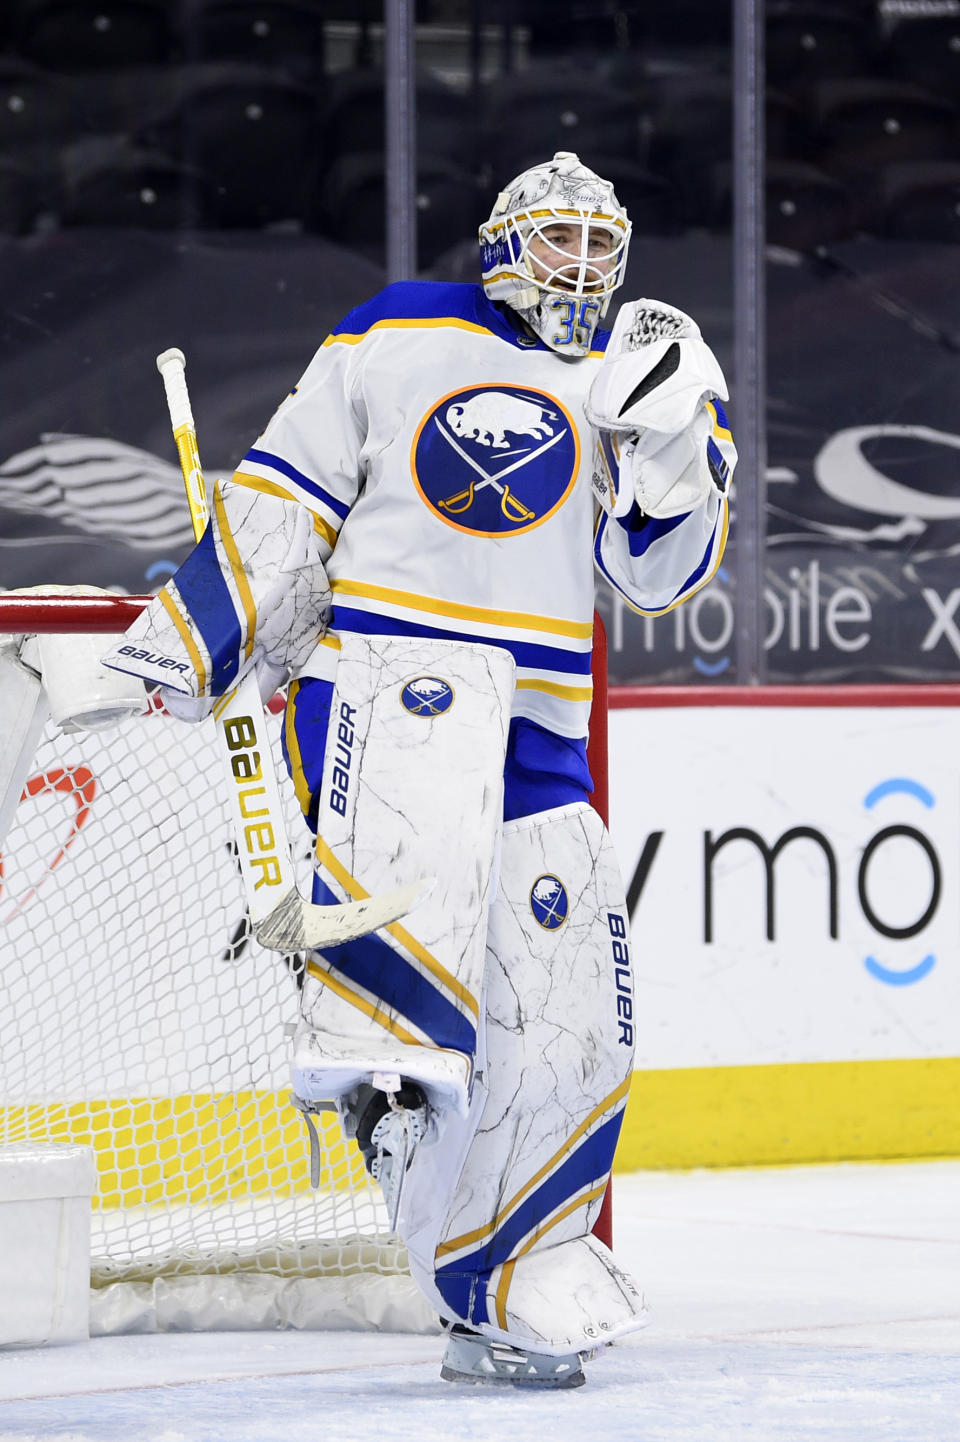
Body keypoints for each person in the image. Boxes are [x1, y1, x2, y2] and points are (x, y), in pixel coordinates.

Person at [103, 151, 736, 1388]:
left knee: (571, 1023)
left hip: (543, 729)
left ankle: (516, 1271)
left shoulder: (620, 375)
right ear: (503, 241)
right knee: (410, 1020)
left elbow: (656, 578)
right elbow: (285, 498)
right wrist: (195, 642)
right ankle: (390, 1112)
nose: (585, 266)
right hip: (391, 701)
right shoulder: (395, 333)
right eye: (559, 239)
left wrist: (678, 453)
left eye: (602, 244)